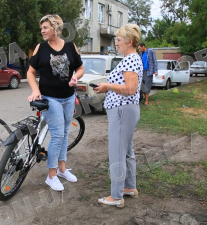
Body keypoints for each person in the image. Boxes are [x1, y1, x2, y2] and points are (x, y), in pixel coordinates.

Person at [27, 14, 84, 191]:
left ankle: (61, 169)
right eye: (41, 28)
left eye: (45, 27)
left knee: (65, 133)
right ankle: (51, 176)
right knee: (58, 135)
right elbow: (30, 72)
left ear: (56, 28)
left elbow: (80, 68)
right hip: (50, 98)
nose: (42, 31)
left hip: (68, 97)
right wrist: (36, 90)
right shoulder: (41, 48)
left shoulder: (70, 46)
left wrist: (75, 76)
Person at [93, 24, 143, 208]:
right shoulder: (132, 58)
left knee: (117, 153)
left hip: (122, 111)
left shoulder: (130, 59)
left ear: (129, 41)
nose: (116, 43)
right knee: (127, 151)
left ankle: (116, 196)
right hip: (126, 110)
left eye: (119, 39)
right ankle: (129, 187)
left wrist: (108, 86)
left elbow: (130, 89)